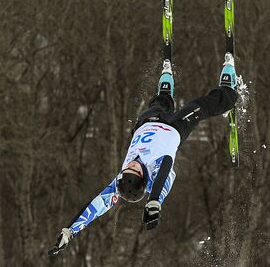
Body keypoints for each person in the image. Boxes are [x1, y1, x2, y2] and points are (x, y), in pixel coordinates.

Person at [48, 53, 237, 256]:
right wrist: (154, 201)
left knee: (160, 102)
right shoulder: (156, 173)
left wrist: (70, 231)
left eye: (127, 169)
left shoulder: (121, 183)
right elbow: (165, 168)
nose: (131, 165)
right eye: (135, 169)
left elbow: (96, 206)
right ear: (143, 177)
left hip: (147, 123)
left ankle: (166, 81)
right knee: (198, 107)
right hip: (174, 128)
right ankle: (229, 92)